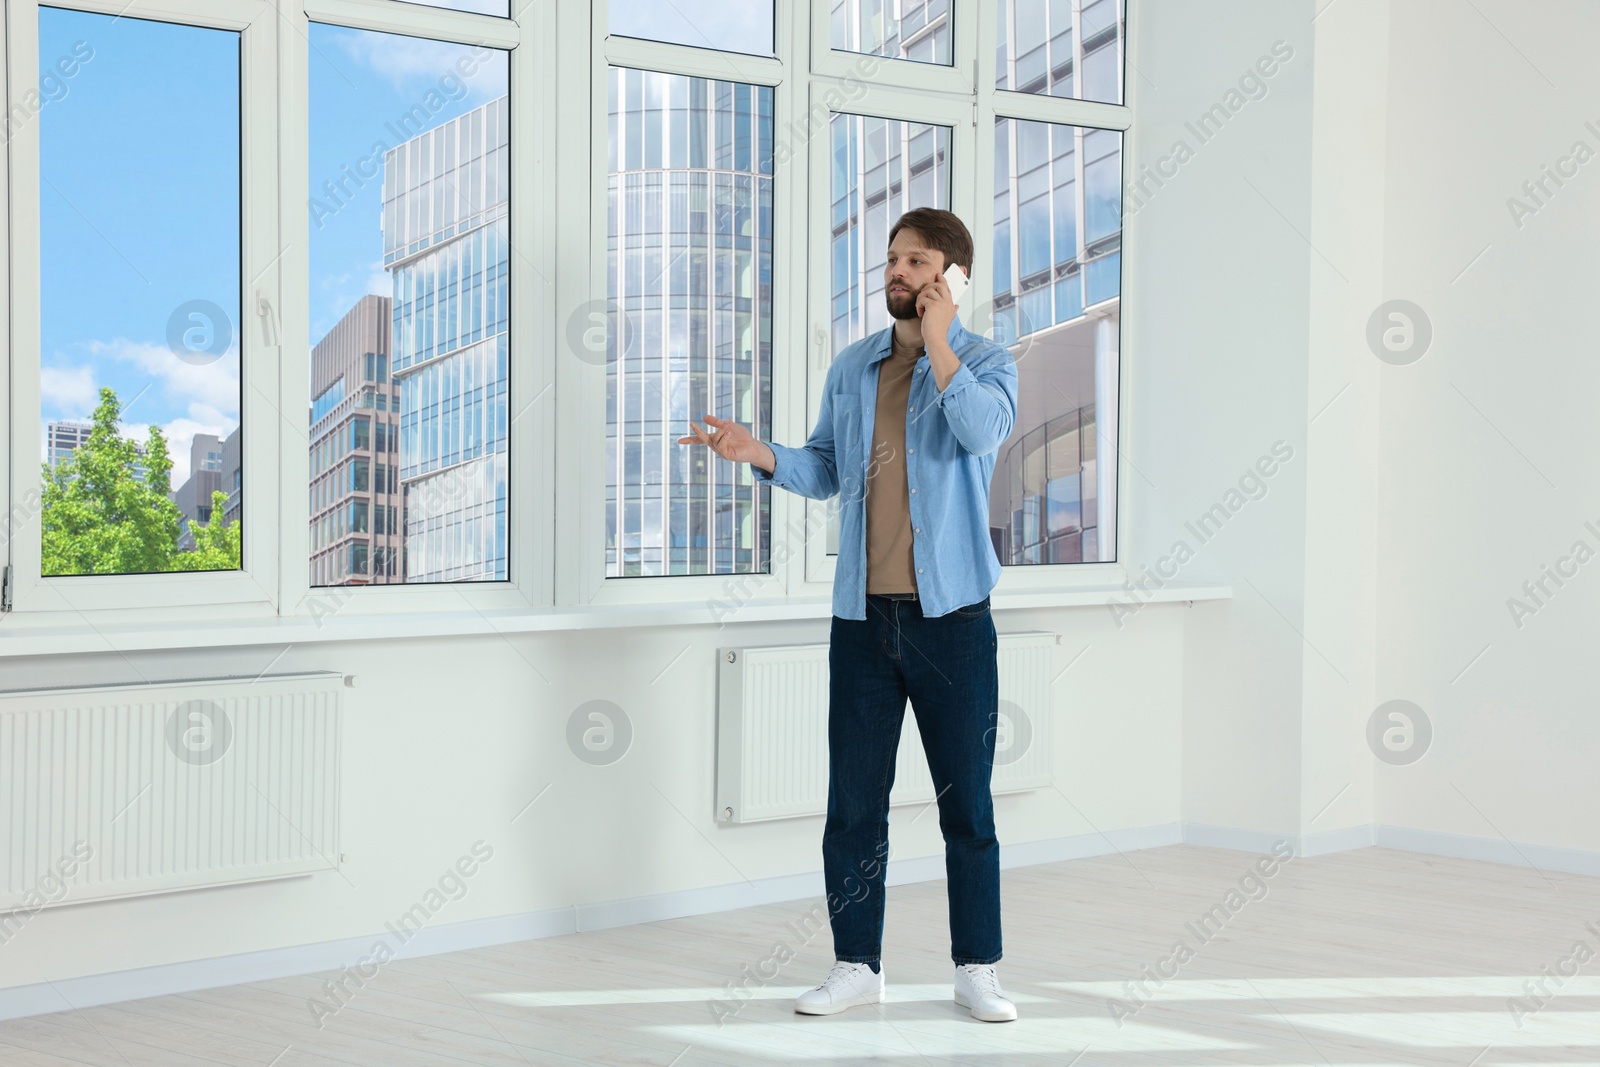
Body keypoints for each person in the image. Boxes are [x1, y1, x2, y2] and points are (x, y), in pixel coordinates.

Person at [677, 208, 1019, 1023]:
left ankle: (979, 965)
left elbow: (981, 433)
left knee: (965, 805)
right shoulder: (853, 368)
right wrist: (759, 454)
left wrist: (939, 342)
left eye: (917, 261)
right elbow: (826, 467)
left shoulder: (987, 364)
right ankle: (856, 962)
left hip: (954, 625)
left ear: (953, 278)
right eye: (893, 259)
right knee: (854, 804)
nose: (896, 273)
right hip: (863, 624)